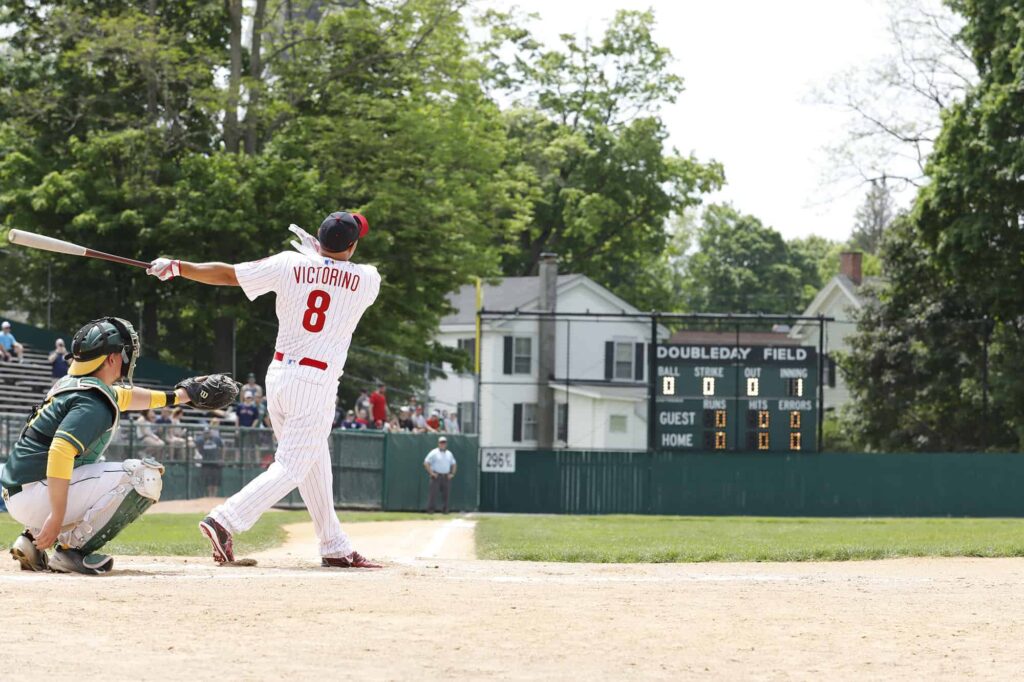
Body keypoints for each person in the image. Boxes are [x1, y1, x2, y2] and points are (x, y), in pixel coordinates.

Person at [147, 209, 383, 568]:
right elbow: (337, 271)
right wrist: (320, 257)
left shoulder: (287, 263)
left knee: (314, 462)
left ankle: (334, 545)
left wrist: (179, 267)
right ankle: (224, 520)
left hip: (279, 377)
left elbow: (228, 273)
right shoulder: (368, 278)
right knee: (291, 466)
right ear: (351, 246)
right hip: (316, 382)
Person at [2, 317, 204, 574]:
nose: (128, 357)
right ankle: (71, 550)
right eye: (125, 352)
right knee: (143, 476)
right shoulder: (92, 400)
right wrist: (56, 516)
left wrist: (181, 396)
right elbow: (60, 451)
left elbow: (126, 397)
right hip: (36, 494)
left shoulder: (76, 385)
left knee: (96, 468)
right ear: (111, 358)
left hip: (24, 490)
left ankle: (31, 540)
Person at [423, 436, 457, 514]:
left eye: (444, 443)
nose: (442, 444)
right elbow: (426, 462)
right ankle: (430, 510)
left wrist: (452, 474)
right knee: (433, 494)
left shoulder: (449, 453)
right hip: (436, 476)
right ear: (438, 443)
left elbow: (454, 464)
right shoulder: (434, 452)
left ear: (446, 444)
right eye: (441, 442)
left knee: (446, 495)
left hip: (446, 476)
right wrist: (431, 473)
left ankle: (445, 510)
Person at [194, 421, 225, 498]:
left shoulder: (216, 439)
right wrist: (198, 456)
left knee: (215, 481)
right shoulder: (200, 440)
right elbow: (195, 448)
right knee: (208, 481)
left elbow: (223, 447)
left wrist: (222, 458)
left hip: (216, 462)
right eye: (206, 433)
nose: (207, 434)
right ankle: (209, 496)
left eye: (208, 433)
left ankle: (214, 496)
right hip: (206, 463)